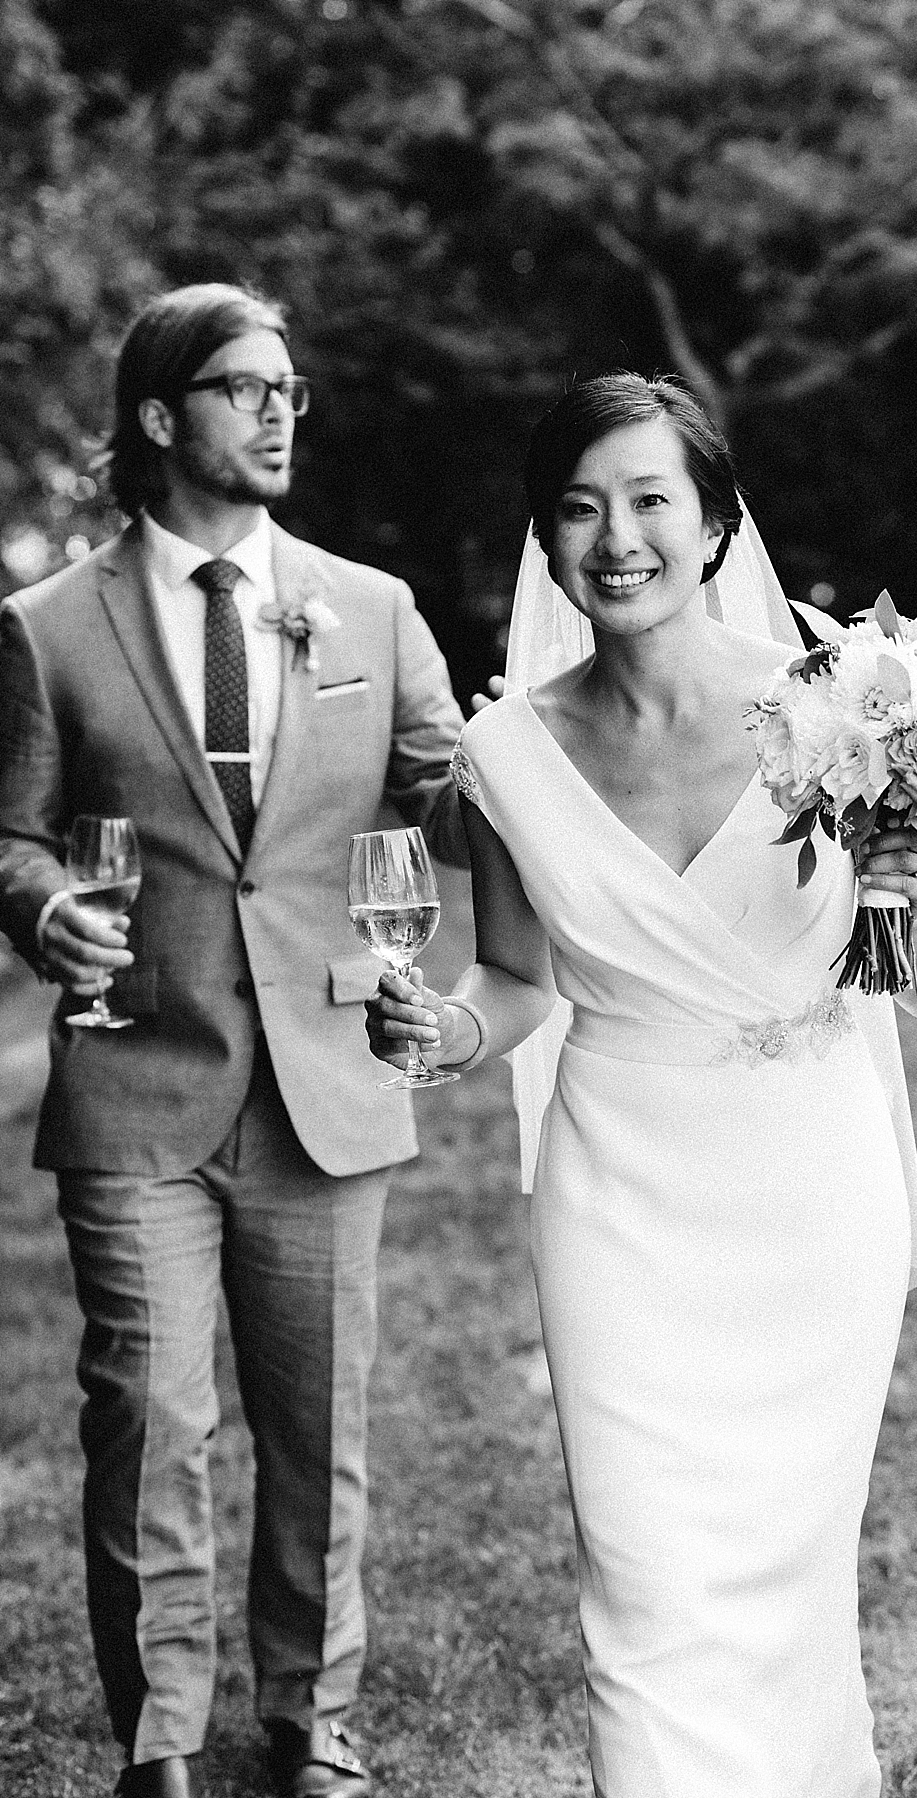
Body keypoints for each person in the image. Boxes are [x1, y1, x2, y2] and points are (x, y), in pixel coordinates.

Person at [366, 373, 917, 1797]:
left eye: (648, 501)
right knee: (640, 1588)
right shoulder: (507, 751)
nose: (614, 537)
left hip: (812, 1193)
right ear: (546, 541)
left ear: (711, 526)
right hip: (622, 1202)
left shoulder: (846, 702)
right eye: (577, 508)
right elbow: (512, 984)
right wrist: (443, 1037)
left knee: (790, 1581)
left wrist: (910, 893)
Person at [0, 284, 471, 1798]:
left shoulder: (374, 607)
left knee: (319, 1426)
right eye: (243, 386)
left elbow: (451, 803)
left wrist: (583, 731)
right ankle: (162, 1742)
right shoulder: (43, 627)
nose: (279, 412)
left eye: (291, 389)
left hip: (330, 1080)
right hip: (138, 1077)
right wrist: (41, 905)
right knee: (150, 1418)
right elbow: (8, 834)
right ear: (159, 415)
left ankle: (310, 1720)